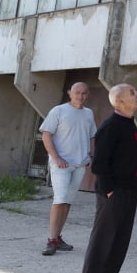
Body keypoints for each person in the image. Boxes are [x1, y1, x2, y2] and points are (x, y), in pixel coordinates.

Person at [78, 83, 137, 273]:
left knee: (119, 241)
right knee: (102, 242)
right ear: (120, 101)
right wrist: (109, 191)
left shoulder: (128, 124)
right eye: (133, 93)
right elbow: (99, 164)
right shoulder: (111, 126)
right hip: (114, 193)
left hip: (128, 192)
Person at [40, 82, 97, 256]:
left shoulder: (88, 113)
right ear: (69, 93)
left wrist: (89, 156)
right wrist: (56, 158)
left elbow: (92, 136)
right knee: (59, 200)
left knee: (67, 202)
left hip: (79, 164)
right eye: (77, 92)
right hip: (61, 164)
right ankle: (51, 240)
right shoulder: (58, 111)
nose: (81, 96)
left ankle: (57, 238)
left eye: (84, 93)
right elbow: (46, 134)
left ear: (88, 94)